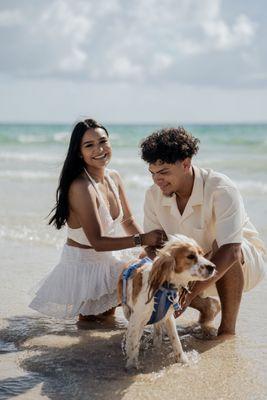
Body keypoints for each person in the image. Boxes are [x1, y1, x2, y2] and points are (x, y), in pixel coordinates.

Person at [29, 118, 164, 320]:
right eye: (89, 145)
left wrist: (150, 248)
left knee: (114, 314)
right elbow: (97, 242)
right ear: (79, 152)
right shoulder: (81, 187)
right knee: (91, 325)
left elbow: (127, 221)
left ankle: (203, 306)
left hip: (110, 260)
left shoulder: (114, 177)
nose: (99, 149)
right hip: (85, 268)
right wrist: (144, 239)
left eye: (103, 141)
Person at [140, 127, 266, 338]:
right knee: (150, 260)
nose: (157, 180)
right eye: (152, 173)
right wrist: (166, 279)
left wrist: (187, 295)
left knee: (225, 247)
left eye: (164, 172)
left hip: (243, 263)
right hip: (193, 267)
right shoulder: (153, 195)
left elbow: (231, 250)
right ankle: (207, 307)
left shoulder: (221, 188)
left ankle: (227, 330)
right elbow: (153, 247)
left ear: (186, 164)